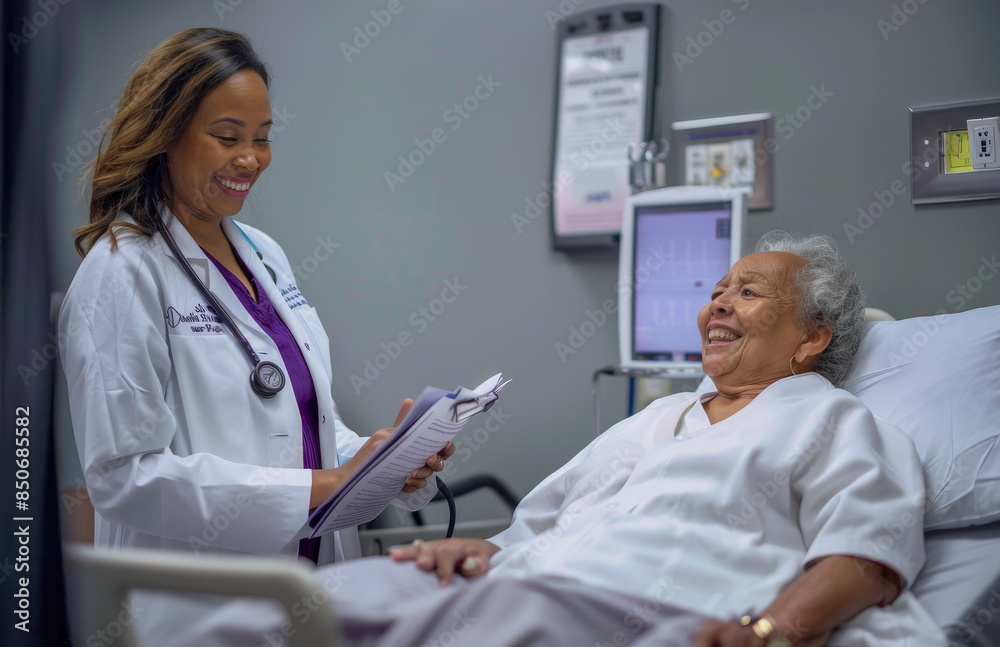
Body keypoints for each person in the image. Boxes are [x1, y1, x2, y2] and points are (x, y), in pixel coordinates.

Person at [185, 231, 942, 646]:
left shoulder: (834, 419)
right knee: (298, 606)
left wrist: (774, 628)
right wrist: (483, 550)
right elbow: (535, 526)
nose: (717, 306)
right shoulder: (656, 418)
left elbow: (865, 554)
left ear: (812, 338)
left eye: (747, 293)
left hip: (640, 602)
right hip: (528, 582)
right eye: (715, 292)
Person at [59, 28, 454, 566]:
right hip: (203, 605)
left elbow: (299, 419)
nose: (250, 159)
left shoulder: (263, 254)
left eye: (262, 137)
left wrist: (379, 463)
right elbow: (127, 477)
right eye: (227, 136)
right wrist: (325, 484)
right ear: (165, 136)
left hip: (312, 583)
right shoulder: (121, 273)